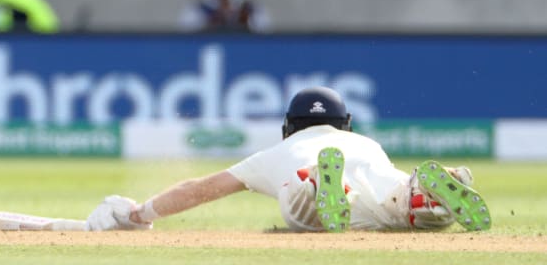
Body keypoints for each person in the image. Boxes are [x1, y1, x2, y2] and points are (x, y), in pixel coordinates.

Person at [86, 86, 492, 233]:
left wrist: (140, 213)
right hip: (381, 196)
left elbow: (202, 189)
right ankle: (428, 195)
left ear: (289, 127)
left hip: (312, 191)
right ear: (344, 124)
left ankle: (317, 185)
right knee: (401, 202)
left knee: (299, 209)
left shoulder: (276, 153)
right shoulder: (368, 143)